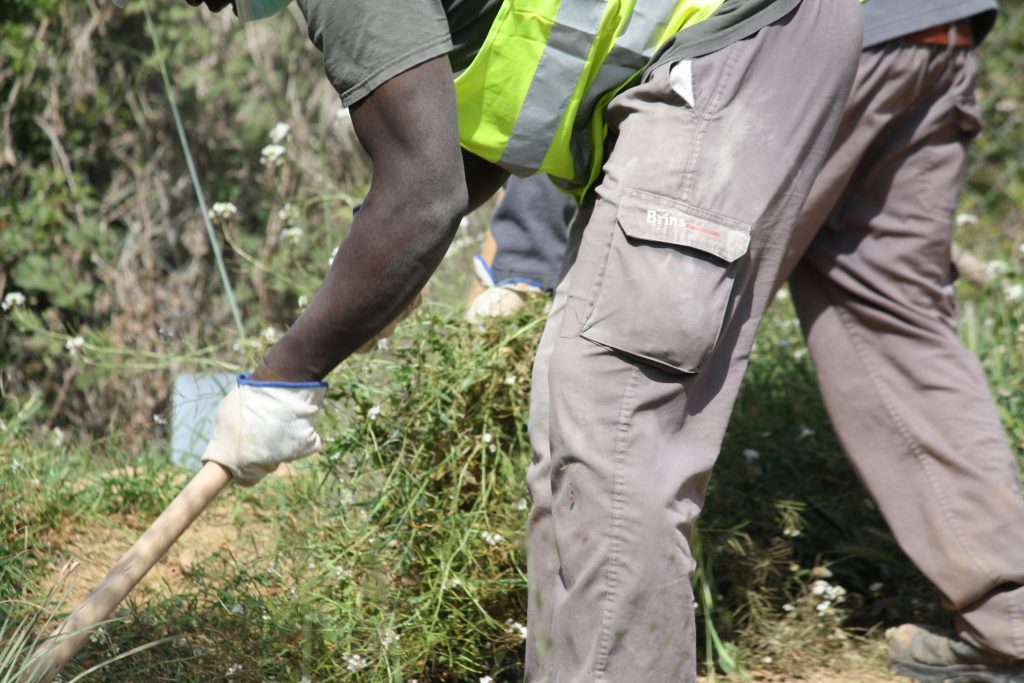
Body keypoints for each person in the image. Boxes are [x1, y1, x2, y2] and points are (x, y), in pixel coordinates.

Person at [185, 0, 864, 679]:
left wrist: (285, 377)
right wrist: (383, 263)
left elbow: (423, 194)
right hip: (715, 55)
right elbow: (484, 133)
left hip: (738, 38)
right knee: (578, 420)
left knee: (611, 427)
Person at [468, 3, 1024, 682]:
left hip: (792, 40)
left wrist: (523, 251)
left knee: (618, 405)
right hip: (934, 31)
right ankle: (1013, 619)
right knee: (901, 333)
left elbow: (595, 29)